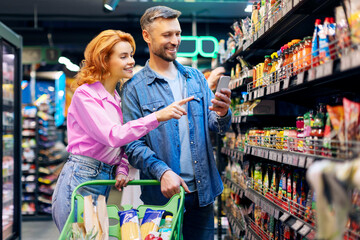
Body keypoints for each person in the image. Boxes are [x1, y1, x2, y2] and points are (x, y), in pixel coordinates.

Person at [52, 29, 194, 232]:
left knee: (95, 236)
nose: (130, 61)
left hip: (102, 179)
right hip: (81, 177)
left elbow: (125, 143)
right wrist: (157, 116)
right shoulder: (85, 95)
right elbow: (113, 135)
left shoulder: (117, 99)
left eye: (131, 55)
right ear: (104, 60)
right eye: (123, 56)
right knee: (79, 236)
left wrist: (121, 168)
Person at [120, 6, 232, 239]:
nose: (175, 41)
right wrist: (162, 172)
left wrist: (222, 114)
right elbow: (132, 145)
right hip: (160, 199)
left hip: (202, 193)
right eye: (167, 35)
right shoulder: (134, 89)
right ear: (147, 36)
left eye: (178, 33)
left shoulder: (195, 78)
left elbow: (215, 126)